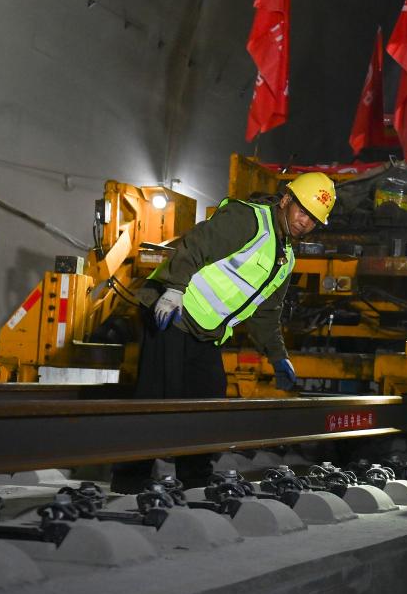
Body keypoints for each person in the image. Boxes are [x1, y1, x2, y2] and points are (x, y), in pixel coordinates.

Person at [111, 171, 336, 493]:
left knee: (208, 403)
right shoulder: (249, 219)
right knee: (157, 401)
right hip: (171, 314)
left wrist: (278, 357)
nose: (305, 222)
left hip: (205, 332)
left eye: (314, 220)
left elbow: (267, 312)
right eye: (303, 211)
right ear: (286, 200)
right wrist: (173, 289)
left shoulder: (285, 258)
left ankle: (196, 482)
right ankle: (129, 483)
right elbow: (196, 245)